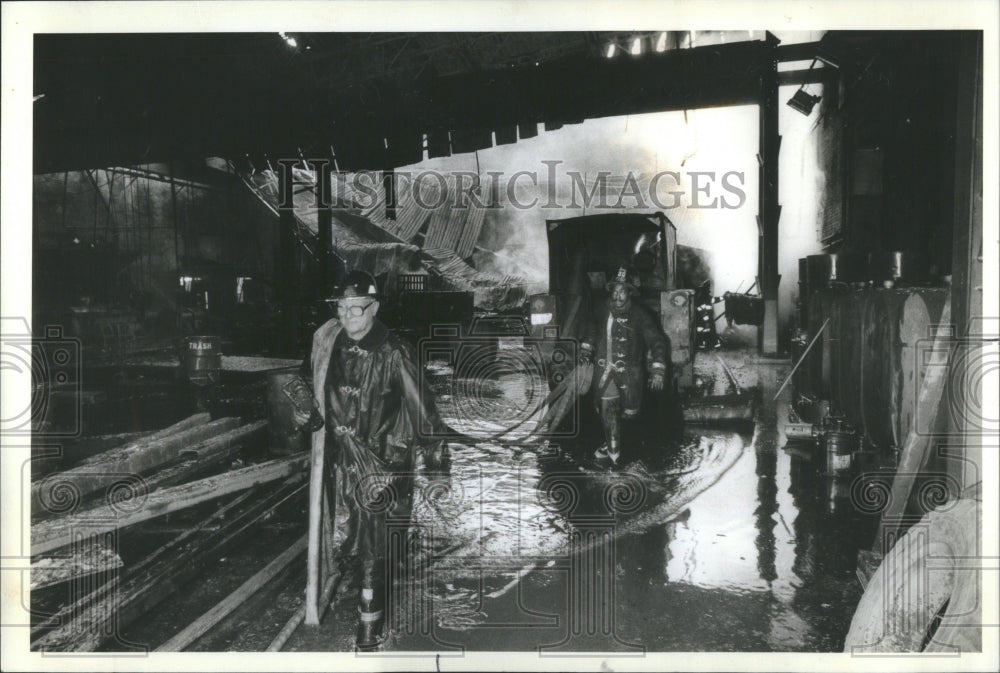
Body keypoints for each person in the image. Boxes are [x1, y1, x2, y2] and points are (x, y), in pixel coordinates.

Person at [297, 270, 449, 650]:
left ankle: (370, 631)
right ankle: (360, 601)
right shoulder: (328, 343)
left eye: (357, 309)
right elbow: (309, 385)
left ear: (375, 307)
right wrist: (307, 412)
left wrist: (437, 468)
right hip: (340, 461)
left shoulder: (394, 352)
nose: (348, 317)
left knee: (374, 546)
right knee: (347, 536)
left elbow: (424, 412)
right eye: (342, 308)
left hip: (383, 464)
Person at [580, 266, 668, 468]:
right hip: (604, 372)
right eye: (615, 290)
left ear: (629, 293)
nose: (618, 295)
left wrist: (657, 370)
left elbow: (657, 342)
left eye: (622, 291)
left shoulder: (640, 315)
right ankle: (614, 455)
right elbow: (592, 328)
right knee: (606, 408)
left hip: (631, 375)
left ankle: (614, 440)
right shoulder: (601, 309)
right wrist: (586, 349)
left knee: (628, 414)